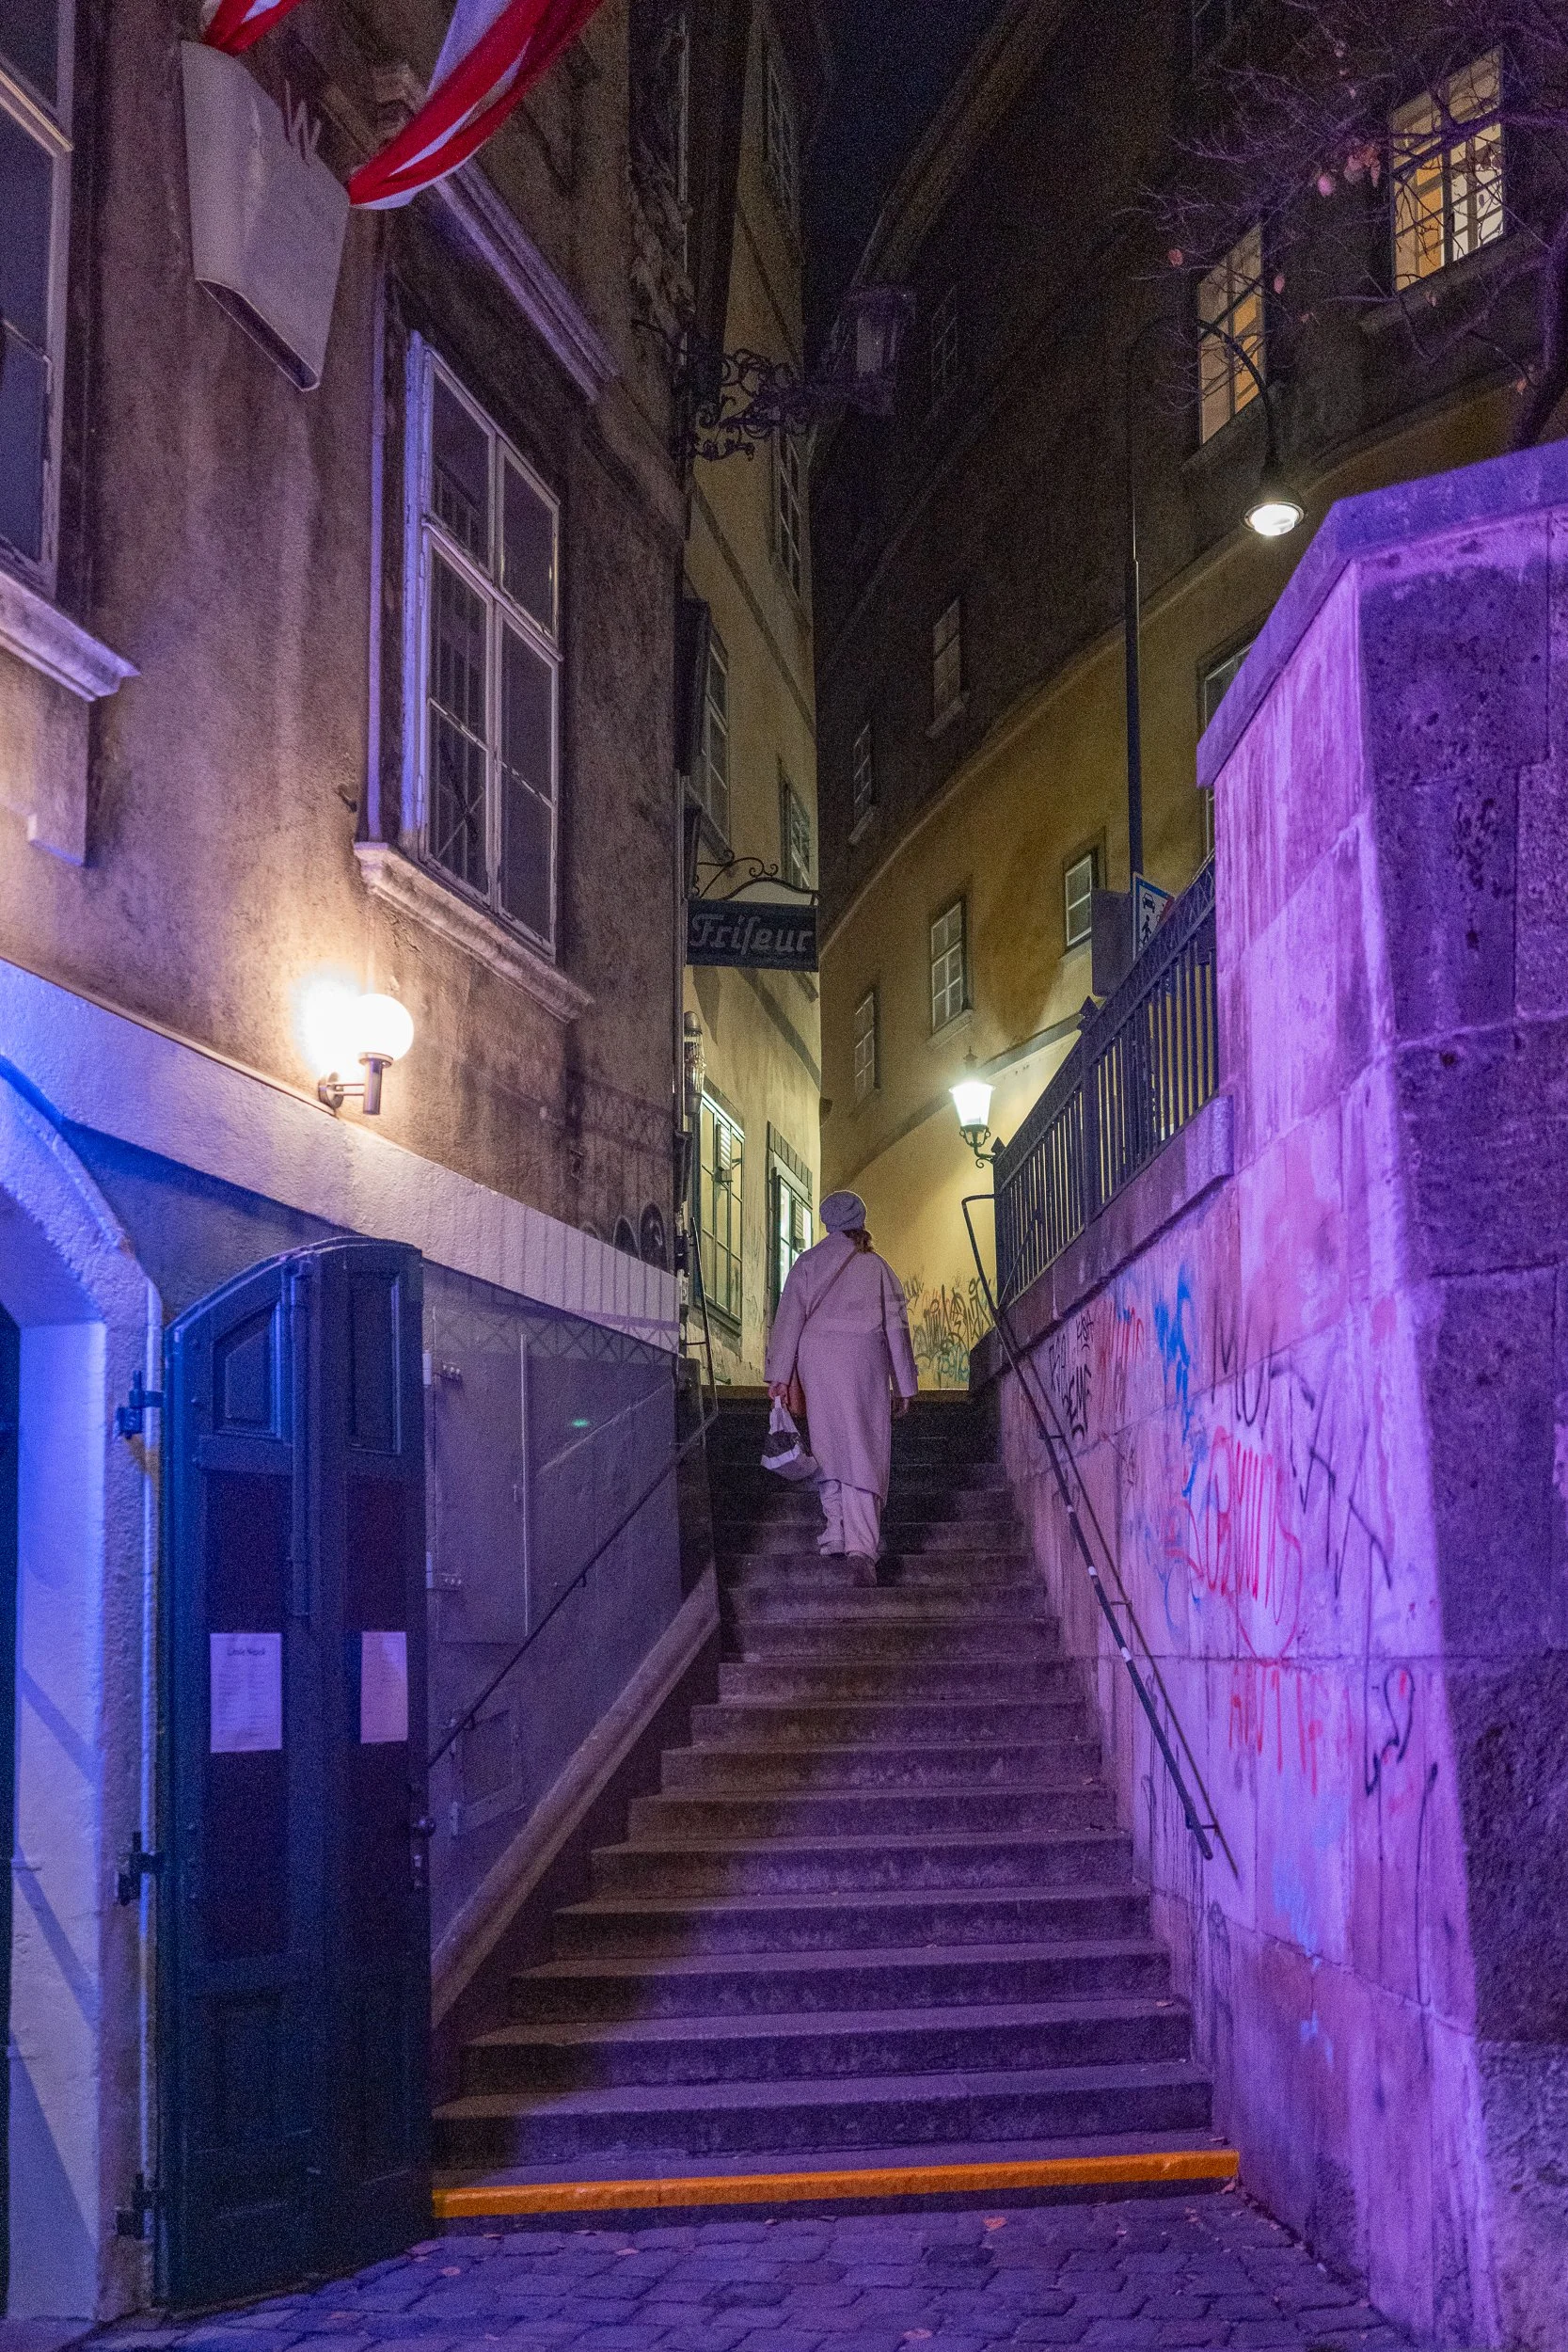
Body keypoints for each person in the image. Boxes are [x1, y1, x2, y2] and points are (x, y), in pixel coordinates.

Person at [765, 1189, 920, 1582]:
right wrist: (904, 1384)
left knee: (829, 1444)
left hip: (817, 1359)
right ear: (861, 1218)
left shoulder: (808, 1263)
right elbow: (897, 1330)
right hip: (864, 1361)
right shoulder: (878, 1267)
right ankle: (862, 1546)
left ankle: (835, 1532)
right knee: (863, 1447)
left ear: (827, 1221)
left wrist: (780, 1376)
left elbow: (788, 1321)